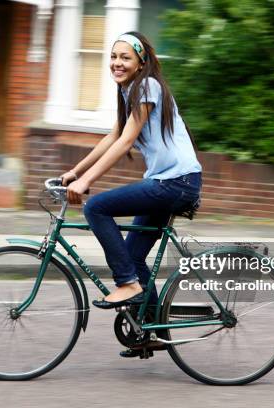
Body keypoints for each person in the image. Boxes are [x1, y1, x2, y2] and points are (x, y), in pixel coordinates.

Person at [61, 31, 202, 315]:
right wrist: (76, 172)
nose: (117, 62)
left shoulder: (148, 85)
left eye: (125, 57)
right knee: (133, 256)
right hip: (168, 183)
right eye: (113, 57)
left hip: (175, 183)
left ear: (141, 62)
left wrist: (88, 182)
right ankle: (149, 328)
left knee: (97, 207)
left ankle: (127, 284)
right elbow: (113, 136)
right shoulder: (130, 91)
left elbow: (126, 140)